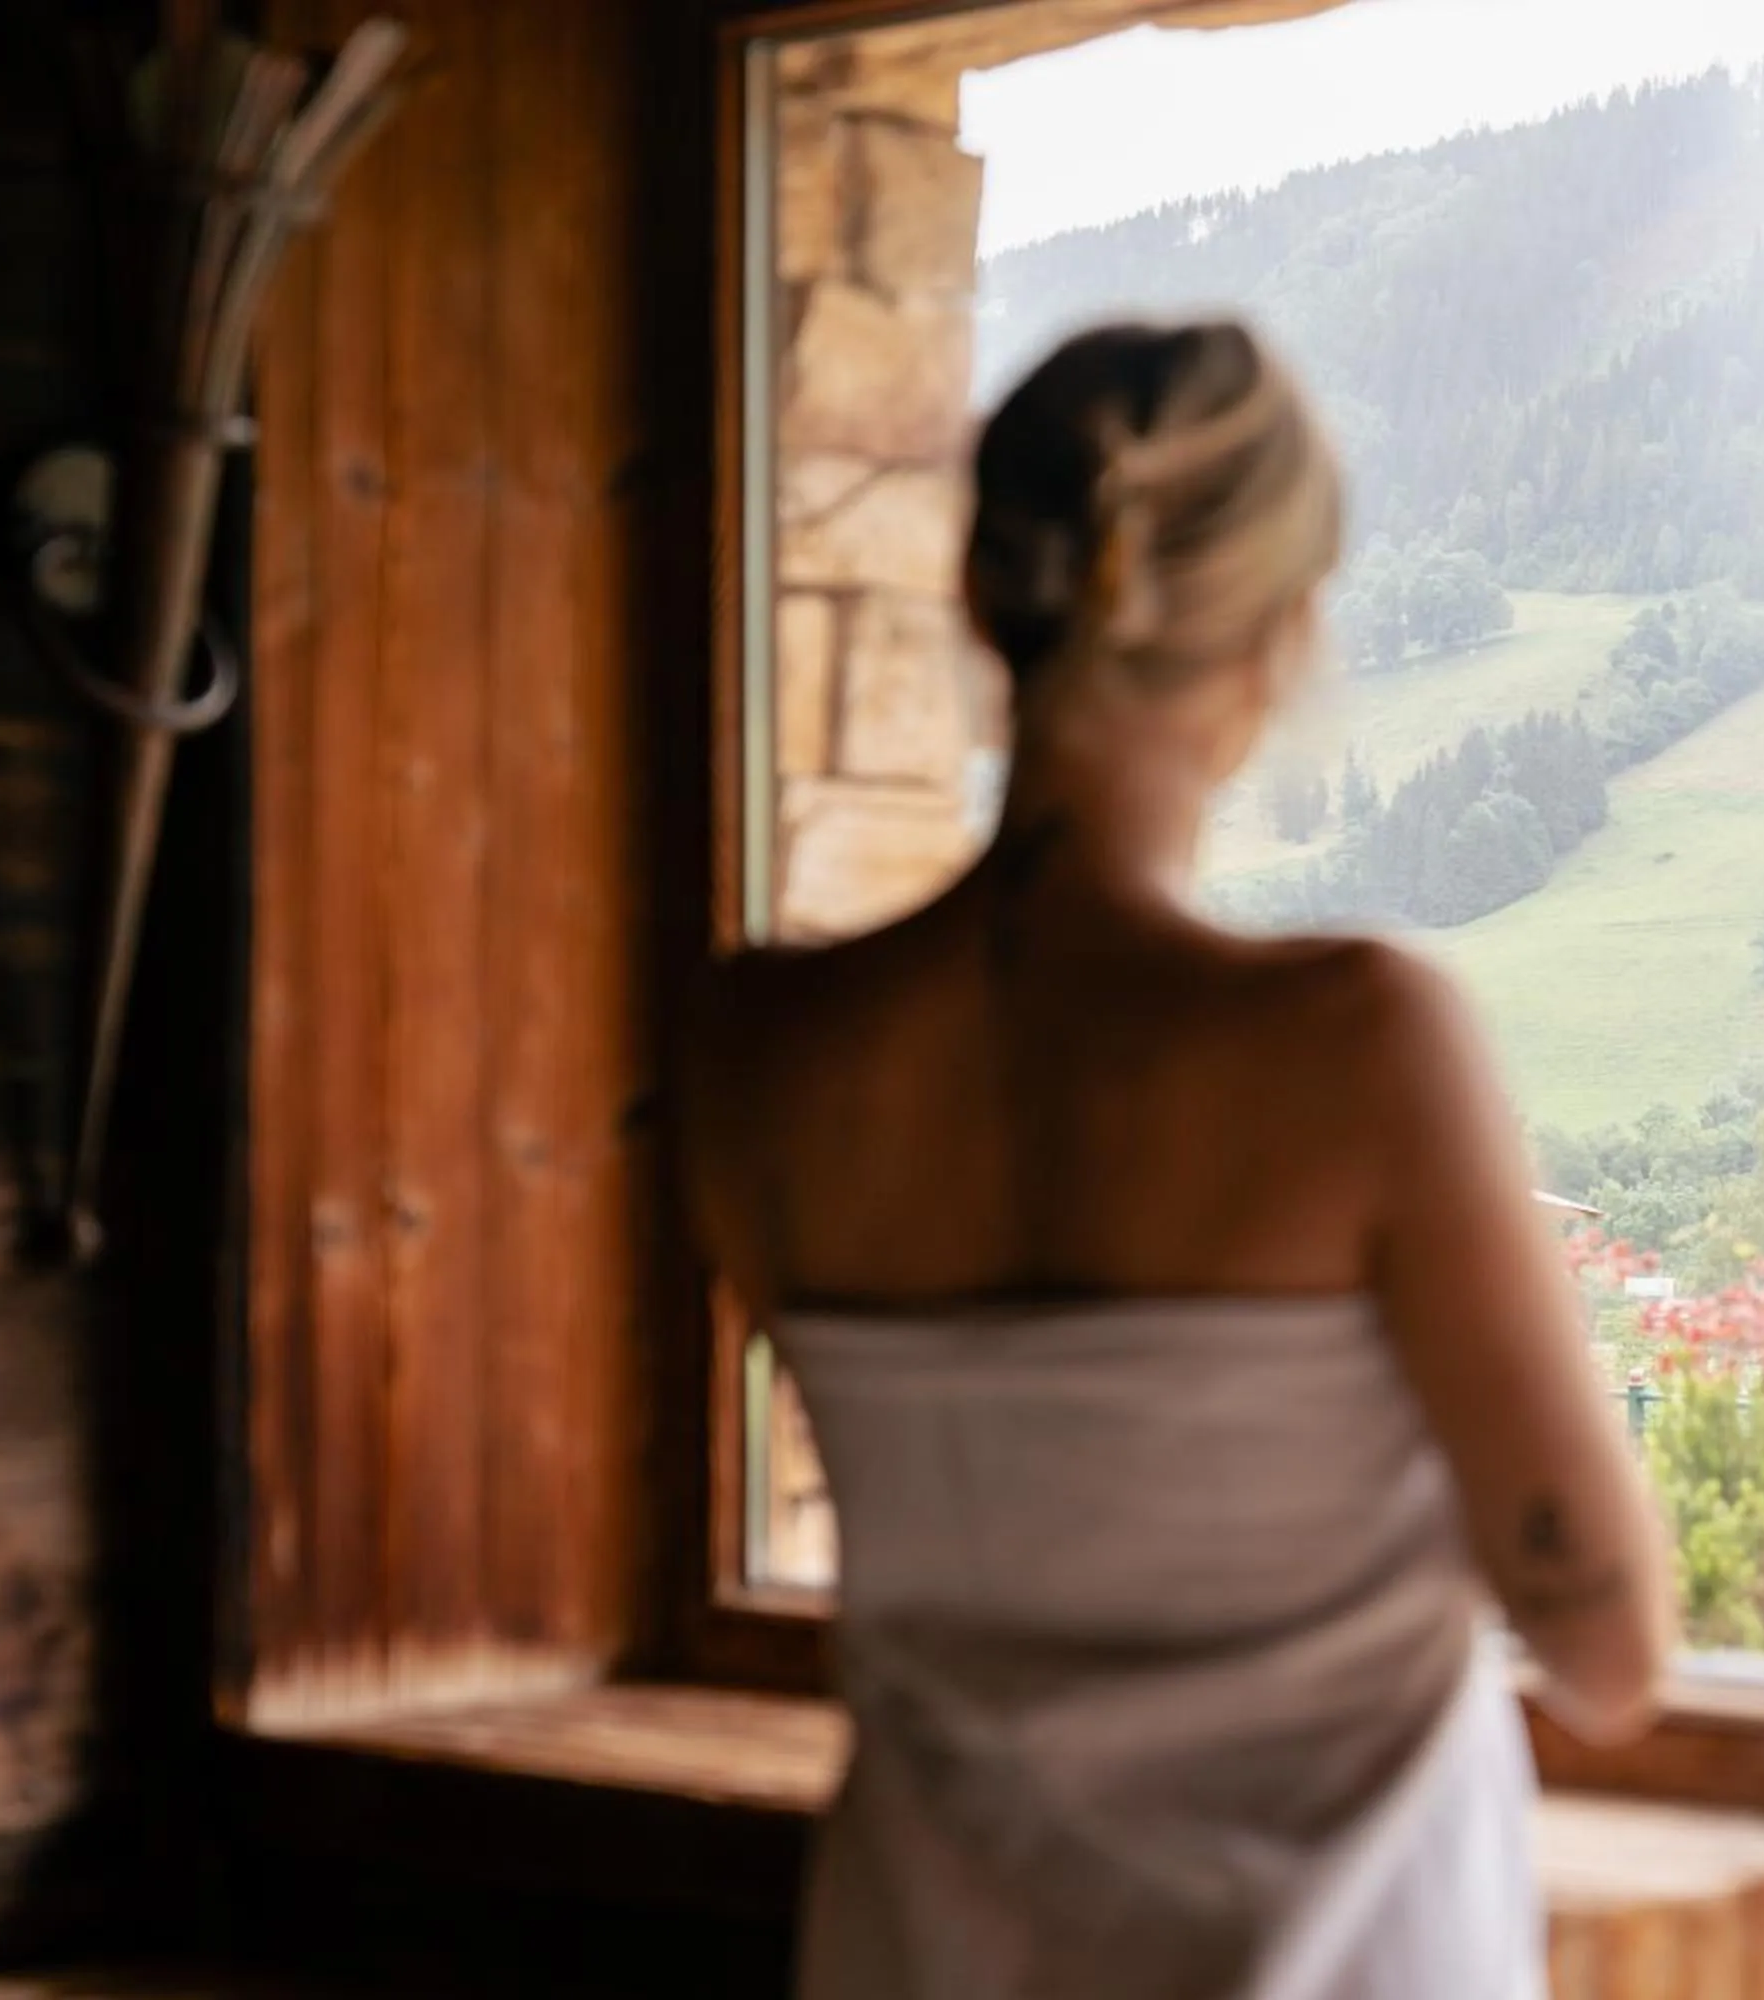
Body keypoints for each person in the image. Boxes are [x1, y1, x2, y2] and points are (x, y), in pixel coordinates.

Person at [680, 320, 1674, 2000]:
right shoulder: (1358, 1043)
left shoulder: (752, 1052)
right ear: (1283, 636)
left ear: (983, 601)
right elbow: (1608, 1648)